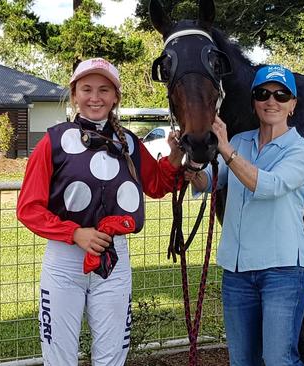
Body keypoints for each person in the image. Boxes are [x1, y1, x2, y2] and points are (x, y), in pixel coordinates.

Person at [17, 57, 183, 366]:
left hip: (114, 261)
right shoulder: (52, 141)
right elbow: (29, 208)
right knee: (59, 357)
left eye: (104, 90)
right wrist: (74, 233)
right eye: (87, 89)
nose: (95, 98)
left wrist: (175, 156)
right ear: (74, 93)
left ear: (116, 96)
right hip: (65, 262)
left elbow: (157, 184)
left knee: (111, 358)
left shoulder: (130, 143)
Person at [187, 64, 304, 366]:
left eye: (281, 95)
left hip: (283, 272)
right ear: (254, 102)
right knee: (242, 361)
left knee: (278, 360)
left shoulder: (301, 149)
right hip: (237, 273)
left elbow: (267, 185)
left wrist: (226, 150)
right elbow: (208, 181)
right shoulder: (240, 141)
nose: (272, 101)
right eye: (263, 94)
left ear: (293, 105)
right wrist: (191, 162)